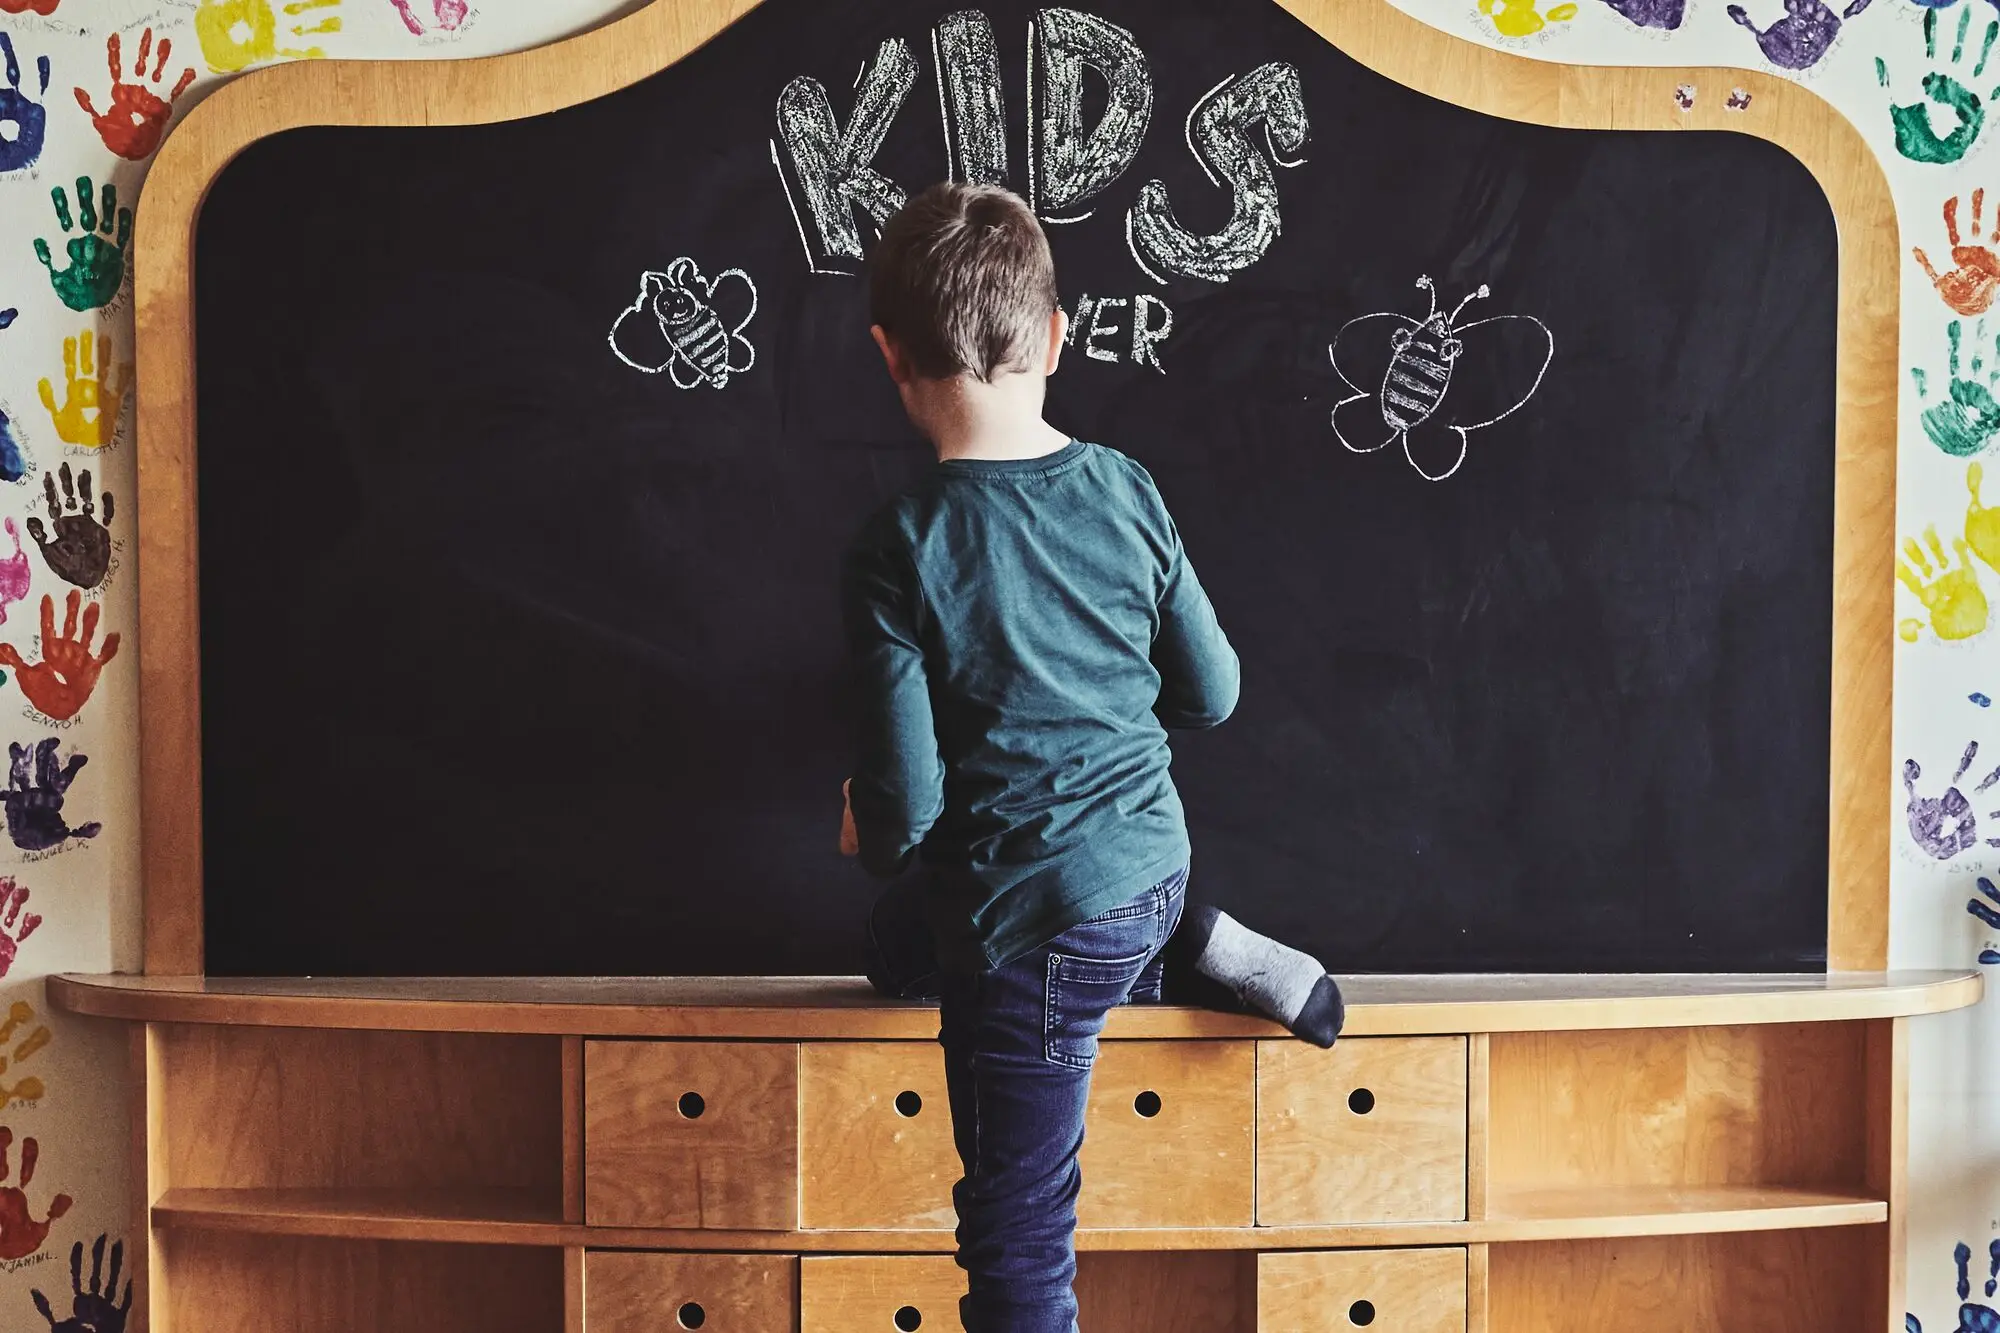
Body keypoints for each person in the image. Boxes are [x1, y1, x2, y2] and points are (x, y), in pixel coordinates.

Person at [838, 181, 1340, 1333]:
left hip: (1032, 921)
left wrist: (868, 824)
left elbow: (904, 808)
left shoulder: (897, 545)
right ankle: (1199, 937)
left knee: (1015, 1229)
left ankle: (1175, 942)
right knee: (896, 946)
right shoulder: (1124, 487)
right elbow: (1210, 695)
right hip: (1147, 869)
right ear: (1057, 335)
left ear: (887, 352)